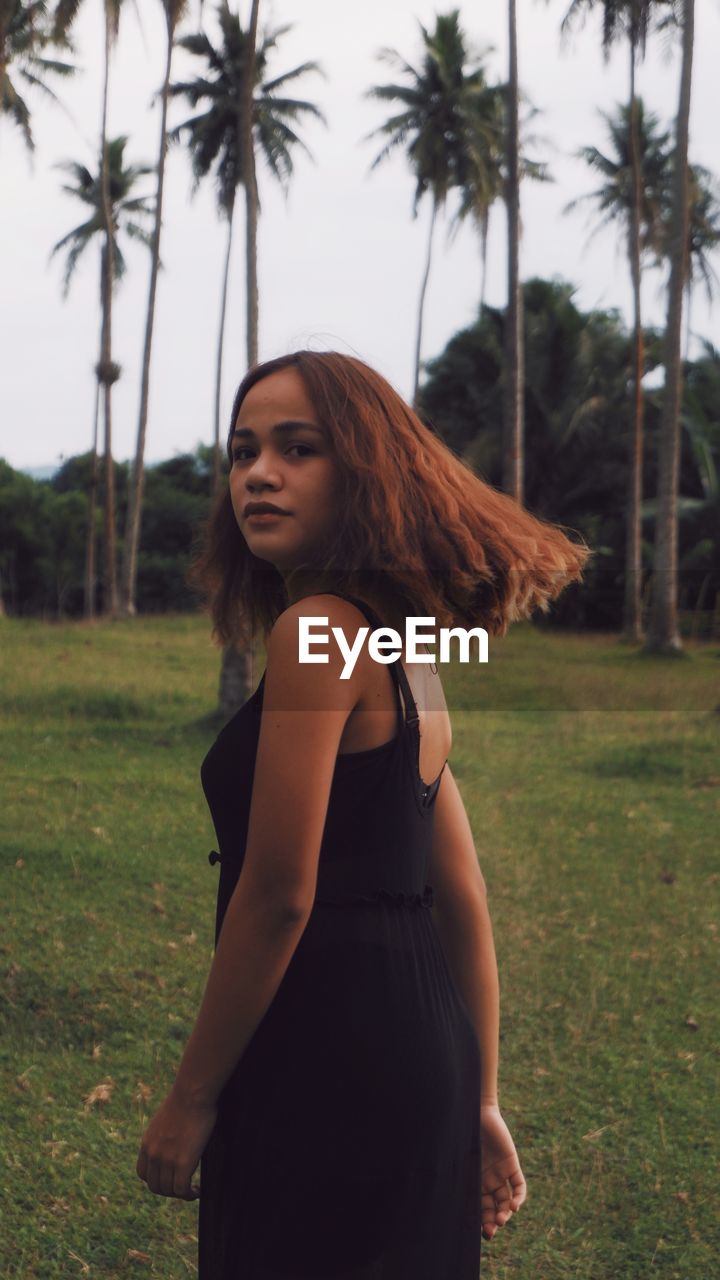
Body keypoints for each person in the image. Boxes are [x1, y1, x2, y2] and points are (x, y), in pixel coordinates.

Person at [135, 350, 591, 1278]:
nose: (257, 474)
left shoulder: (316, 635)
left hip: (326, 1041)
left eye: (298, 449)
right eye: (242, 451)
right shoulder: (403, 651)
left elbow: (277, 895)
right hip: (420, 1049)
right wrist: (482, 1097)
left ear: (367, 471)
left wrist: (189, 1101)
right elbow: (461, 897)